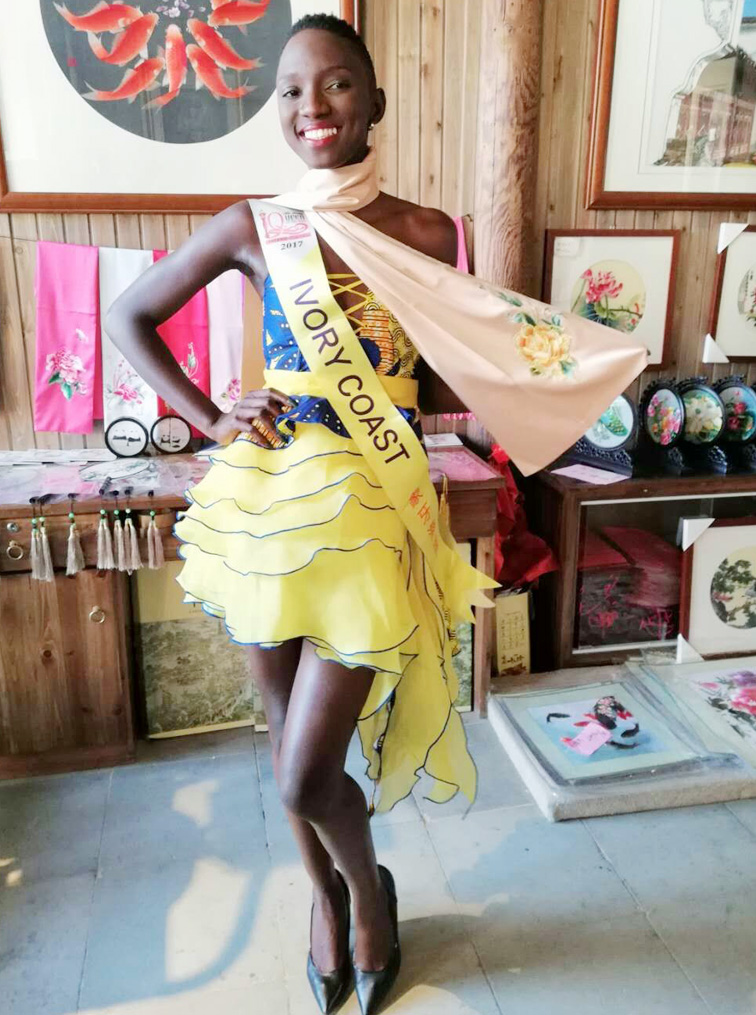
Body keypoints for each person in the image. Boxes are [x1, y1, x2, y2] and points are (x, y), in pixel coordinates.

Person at [106, 14, 494, 1015]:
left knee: (302, 772)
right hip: (269, 500)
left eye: (335, 84)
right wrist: (209, 416)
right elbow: (128, 315)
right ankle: (328, 899)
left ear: (374, 100)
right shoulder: (255, 224)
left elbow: (448, 376)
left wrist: (527, 386)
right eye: (289, 90)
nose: (311, 105)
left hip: (375, 505)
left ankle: (368, 891)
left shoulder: (431, 233)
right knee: (285, 739)